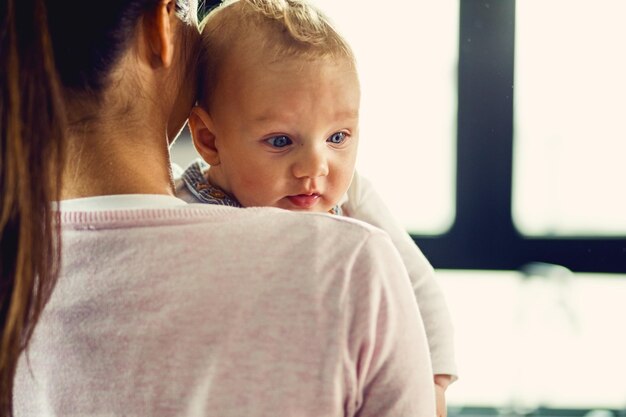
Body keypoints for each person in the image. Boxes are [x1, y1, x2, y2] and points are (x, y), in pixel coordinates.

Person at [0, 0, 436, 416]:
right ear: (160, 27)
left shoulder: (17, 267)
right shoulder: (348, 268)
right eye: (188, 11)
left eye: (338, 137)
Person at [177, 0, 457, 414]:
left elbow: (418, 288)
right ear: (209, 139)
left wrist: (432, 382)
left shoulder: (352, 196)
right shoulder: (180, 206)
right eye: (280, 141)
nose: (315, 166)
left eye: (338, 137)